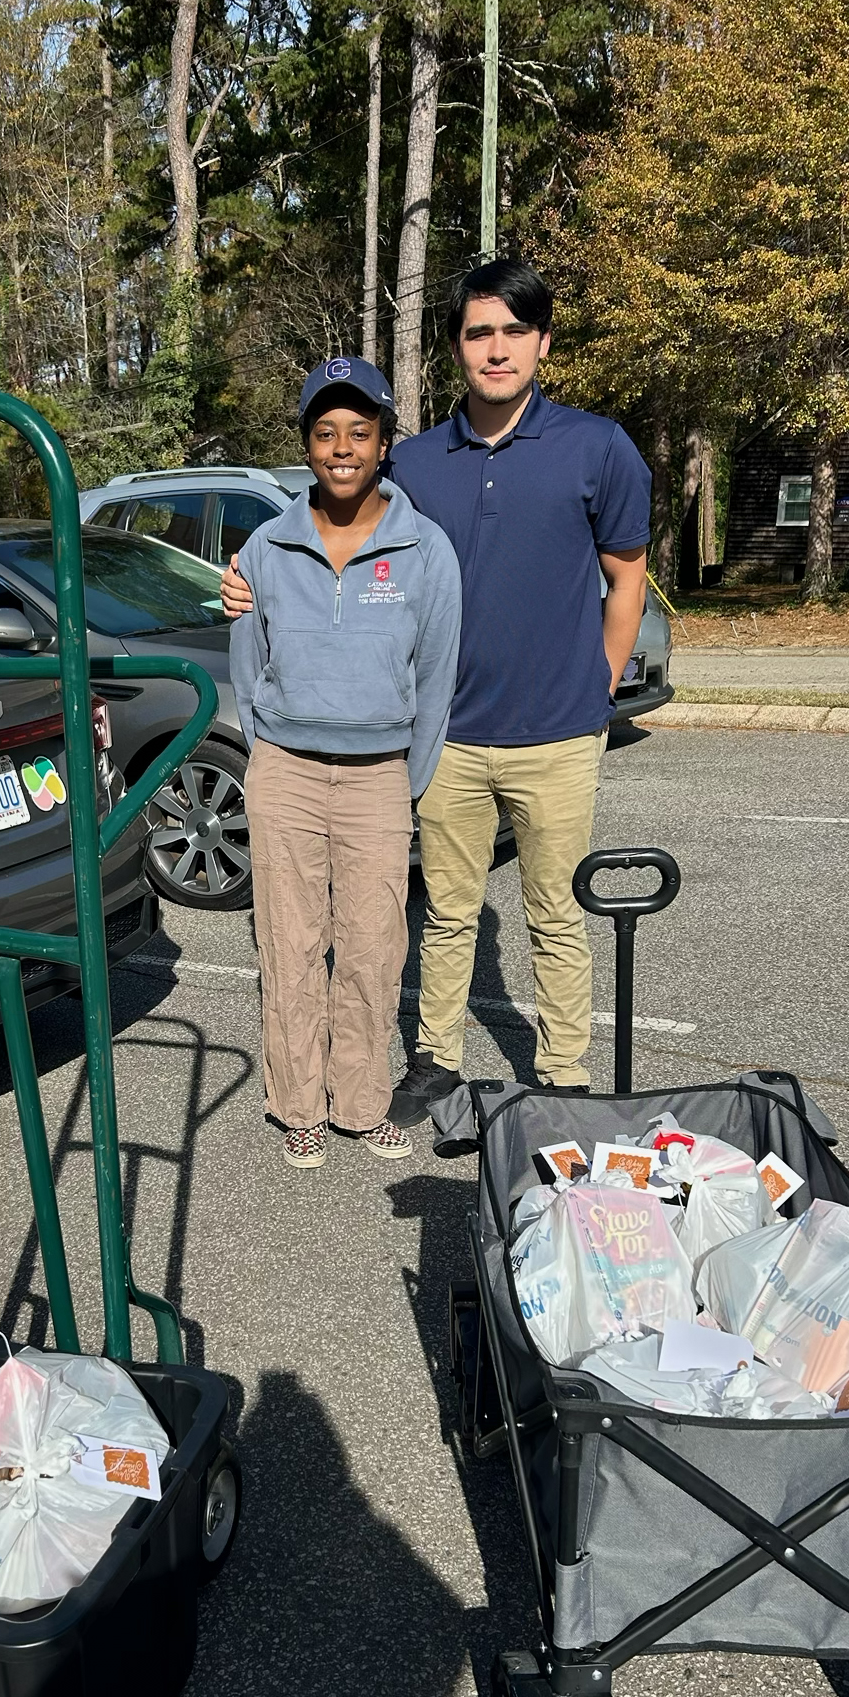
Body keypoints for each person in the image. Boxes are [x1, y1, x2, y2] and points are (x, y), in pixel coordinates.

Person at [223, 260, 650, 1116]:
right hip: (448, 733)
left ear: (542, 341)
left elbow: (627, 574)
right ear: (456, 347)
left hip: (558, 734)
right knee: (448, 917)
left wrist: (596, 690)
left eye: (513, 332)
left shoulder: (598, 447)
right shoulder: (415, 460)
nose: (497, 350)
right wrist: (246, 581)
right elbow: (335, 528)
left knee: (557, 918)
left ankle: (564, 1076)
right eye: (478, 333)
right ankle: (436, 1061)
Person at [230, 356, 461, 1169]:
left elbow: (436, 678)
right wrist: (269, 762)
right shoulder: (265, 547)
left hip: (378, 778)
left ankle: (361, 1105)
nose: (341, 447)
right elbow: (245, 666)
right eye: (325, 432)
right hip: (285, 773)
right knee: (290, 945)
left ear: (383, 443)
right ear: (306, 445)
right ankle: (298, 1106)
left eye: (358, 432)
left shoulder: (425, 549)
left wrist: (408, 779)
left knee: (371, 947)